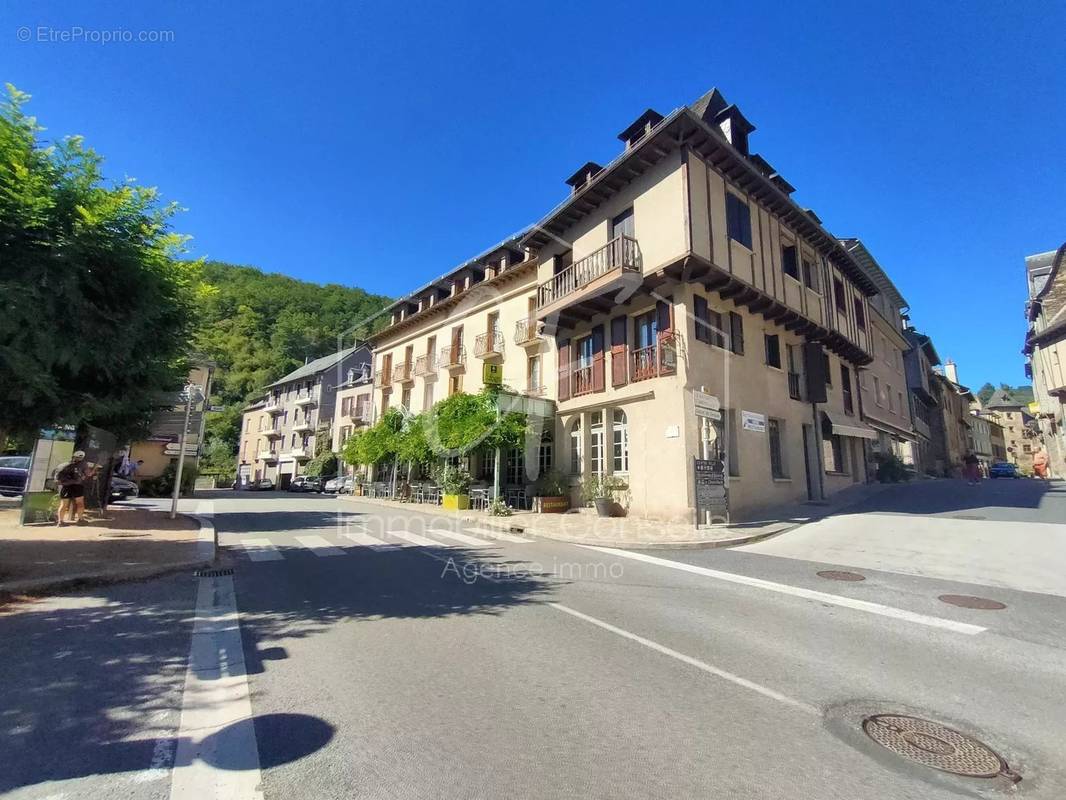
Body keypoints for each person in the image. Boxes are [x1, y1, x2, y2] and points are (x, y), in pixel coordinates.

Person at [54, 450, 88, 525]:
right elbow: (86, 474)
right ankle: (80, 519)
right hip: (77, 485)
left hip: (65, 486)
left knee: (63, 504)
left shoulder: (63, 465)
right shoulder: (83, 465)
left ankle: (60, 521)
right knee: (80, 503)